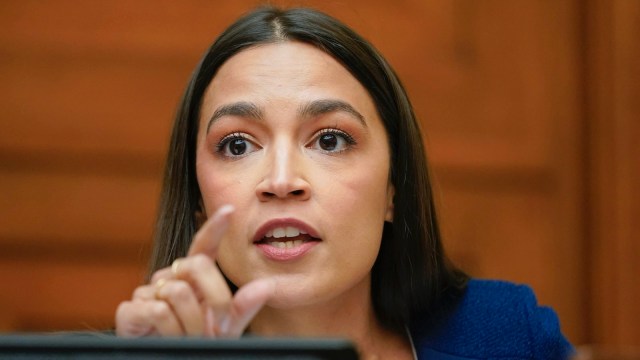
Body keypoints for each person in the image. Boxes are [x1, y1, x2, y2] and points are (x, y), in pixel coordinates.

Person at [115, 6, 573, 359]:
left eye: (330, 140)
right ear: (198, 199)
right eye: (237, 146)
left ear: (394, 187)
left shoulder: (510, 336)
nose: (281, 181)